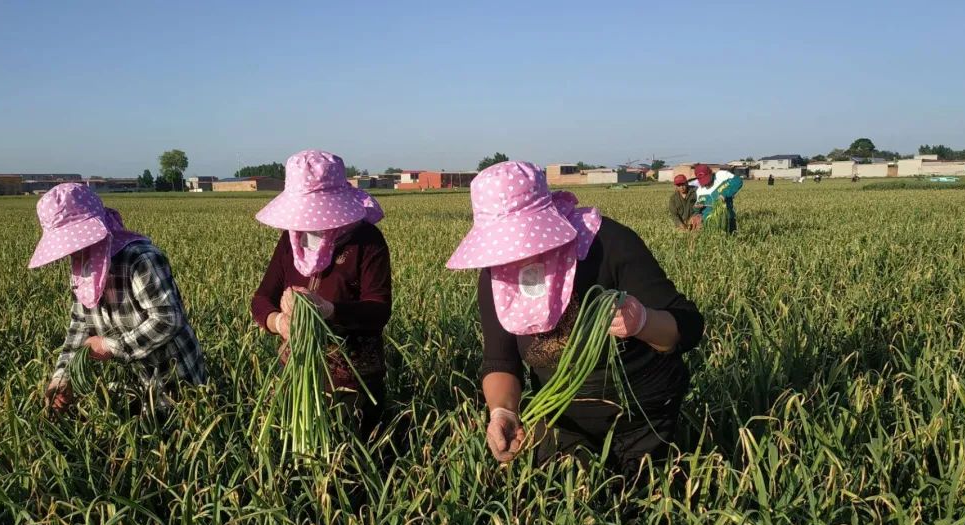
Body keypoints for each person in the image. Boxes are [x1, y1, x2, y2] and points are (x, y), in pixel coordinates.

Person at [447, 161, 704, 478]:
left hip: (642, 416)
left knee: (642, 501)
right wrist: (503, 410)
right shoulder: (497, 271)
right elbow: (500, 359)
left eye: (524, 239)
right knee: (563, 504)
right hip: (561, 419)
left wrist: (643, 321)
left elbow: (689, 326)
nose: (515, 255)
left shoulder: (607, 243)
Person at [251, 150, 391, 441]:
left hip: (353, 380)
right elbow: (262, 298)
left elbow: (378, 310)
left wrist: (329, 309)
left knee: (354, 456)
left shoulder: (366, 241)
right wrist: (278, 321)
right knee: (299, 451)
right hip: (296, 371)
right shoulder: (291, 241)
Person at [30, 183, 206, 414]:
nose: (73, 251)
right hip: (130, 377)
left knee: (168, 432)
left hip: (173, 378)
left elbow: (167, 319)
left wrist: (110, 346)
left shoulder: (141, 259)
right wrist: (61, 377)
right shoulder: (83, 267)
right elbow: (79, 325)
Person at [691, 164, 742, 233]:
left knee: (731, 237)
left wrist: (725, 194)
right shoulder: (700, 191)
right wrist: (697, 208)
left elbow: (738, 181)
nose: (706, 184)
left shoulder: (721, 176)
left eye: (707, 180)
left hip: (727, 218)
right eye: (704, 182)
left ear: (711, 173)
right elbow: (698, 209)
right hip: (709, 223)